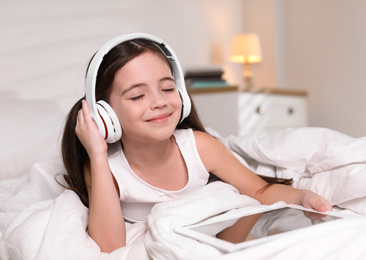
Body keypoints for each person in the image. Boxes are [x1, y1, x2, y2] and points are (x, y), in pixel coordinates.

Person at [61, 35, 332, 253]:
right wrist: (97, 154)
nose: (159, 101)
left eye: (167, 89)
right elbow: (109, 247)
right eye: (137, 96)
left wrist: (303, 198)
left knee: (241, 200)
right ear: (104, 114)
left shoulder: (200, 146)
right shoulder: (105, 166)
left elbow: (259, 191)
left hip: (219, 247)